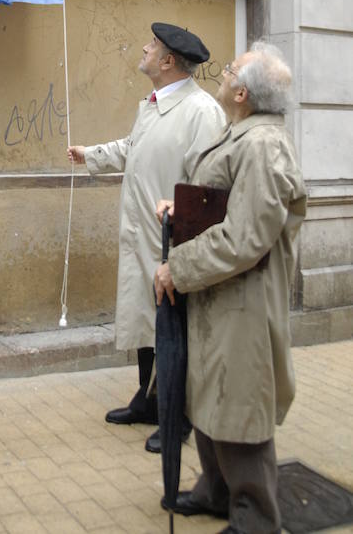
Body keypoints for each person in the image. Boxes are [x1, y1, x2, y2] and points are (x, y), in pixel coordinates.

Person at [154, 42, 307, 534]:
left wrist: (178, 267)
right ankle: (216, 492)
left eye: (230, 69)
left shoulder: (262, 144)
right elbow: (223, 205)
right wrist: (184, 213)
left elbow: (246, 237)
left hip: (243, 302)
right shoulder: (241, 132)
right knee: (210, 396)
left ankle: (256, 517)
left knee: (240, 406)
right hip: (219, 296)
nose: (222, 72)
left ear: (242, 92)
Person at [67, 22, 225, 453]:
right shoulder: (153, 105)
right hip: (142, 232)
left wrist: (190, 233)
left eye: (152, 46)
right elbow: (134, 146)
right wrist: (91, 155)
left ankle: (179, 416)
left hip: (175, 239)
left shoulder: (202, 112)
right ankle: (149, 400)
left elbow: (210, 185)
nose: (144, 48)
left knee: (174, 327)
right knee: (145, 319)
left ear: (168, 60)